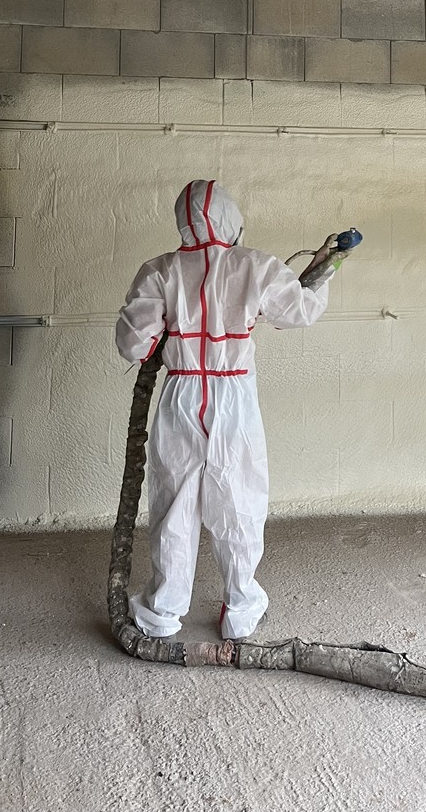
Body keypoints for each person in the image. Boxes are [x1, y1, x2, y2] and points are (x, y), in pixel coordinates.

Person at [115, 179, 331, 641]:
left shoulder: (160, 271)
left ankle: (162, 612)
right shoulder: (255, 265)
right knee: (240, 500)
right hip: (234, 398)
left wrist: (161, 330)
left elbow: (133, 344)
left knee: (175, 504)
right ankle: (241, 608)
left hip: (181, 395)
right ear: (231, 219)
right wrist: (324, 272)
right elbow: (300, 311)